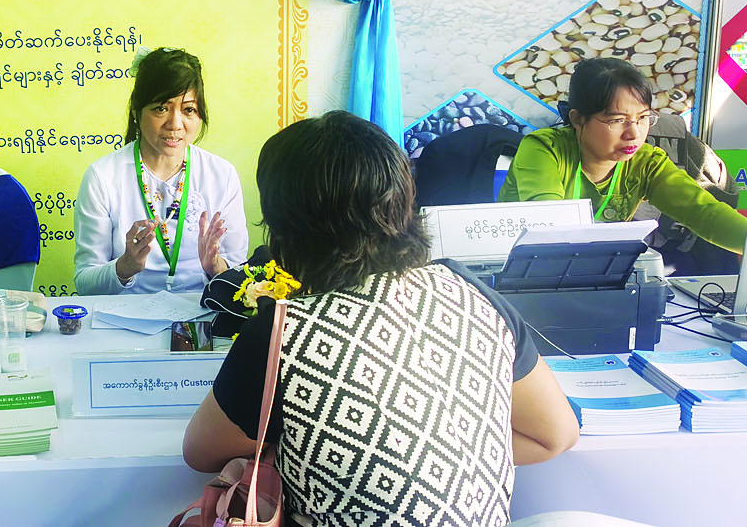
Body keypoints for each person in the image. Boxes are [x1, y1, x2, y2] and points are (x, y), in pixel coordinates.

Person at [183, 111, 579, 525]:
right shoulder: (473, 293)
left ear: (283, 226)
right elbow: (555, 435)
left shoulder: (283, 331)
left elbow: (200, 451)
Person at [500, 57, 747, 252]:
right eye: (617, 120)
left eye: (643, 118)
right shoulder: (543, 149)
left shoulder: (647, 162)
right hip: (519, 268)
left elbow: (704, 213)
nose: (634, 134)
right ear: (577, 119)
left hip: (595, 268)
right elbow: (549, 225)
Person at [74, 47, 248, 295]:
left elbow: (239, 274)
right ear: (137, 111)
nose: (175, 124)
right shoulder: (102, 177)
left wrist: (216, 268)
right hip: (125, 314)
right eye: (161, 108)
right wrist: (124, 267)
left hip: (202, 310)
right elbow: (85, 283)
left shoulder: (222, 175)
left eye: (188, 110)